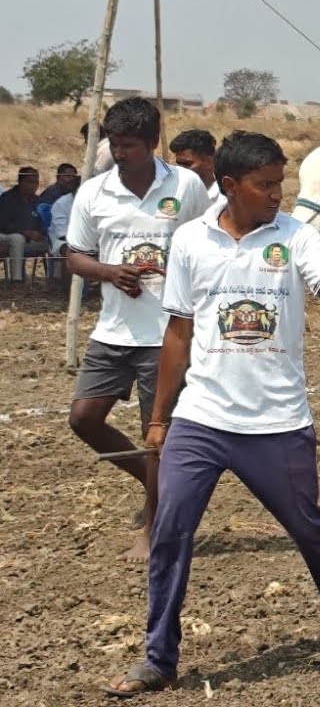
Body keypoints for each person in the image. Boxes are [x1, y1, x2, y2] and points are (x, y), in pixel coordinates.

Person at [102, 130, 320, 697]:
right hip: (201, 419)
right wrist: (159, 418)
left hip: (277, 422)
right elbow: (178, 332)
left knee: (308, 529)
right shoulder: (191, 240)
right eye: (265, 184)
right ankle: (158, 658)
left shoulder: (296, 237)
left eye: (280, 183)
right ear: (230, 185)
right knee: (170, 531)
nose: (278, 194)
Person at [65, 97, 213, 562]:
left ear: (152, 143)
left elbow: (207, 244)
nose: (120, 152)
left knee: (158, 436)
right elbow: (75, 255)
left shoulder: (185, 185)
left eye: (129, 144)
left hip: (167, 335)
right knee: (83, 419)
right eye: (115, 143)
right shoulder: (94, 192)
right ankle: (154, 482)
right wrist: (109, 272)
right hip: (113, 331)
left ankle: (151, 531)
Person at [0, 166, 48, 282]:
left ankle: (56, 279)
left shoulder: (37, 201)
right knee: (17, 238)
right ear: (21, 182)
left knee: (55, 241)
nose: (34, 185)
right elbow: (3, 224)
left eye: (36, 182)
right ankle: (17, 280)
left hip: (31, 240)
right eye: (30, 182)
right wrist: (24, 232)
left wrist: (41, 233)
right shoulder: (7, 198)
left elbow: (42, 222)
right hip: (6, 236)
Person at [168, 129, 219, 201]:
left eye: (187, 164)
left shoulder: (226, 198)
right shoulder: (174, 194)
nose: (181, 170)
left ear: (209, 162)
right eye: (179, 164)